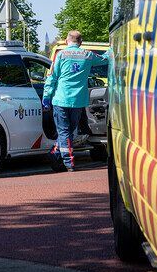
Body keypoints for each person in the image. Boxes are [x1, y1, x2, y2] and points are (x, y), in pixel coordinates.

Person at [43, 30, 109, 172]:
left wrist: (47, 96)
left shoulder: (60, 55)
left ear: (67, 41)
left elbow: (52, 77)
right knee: (69, 130)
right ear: (80, 42)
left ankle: (65, 160)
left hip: (61, 99)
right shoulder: (88, 55)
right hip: (78, 100)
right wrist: (114, 49)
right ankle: (61, 156)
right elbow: (105, 59)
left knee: (64, 131)